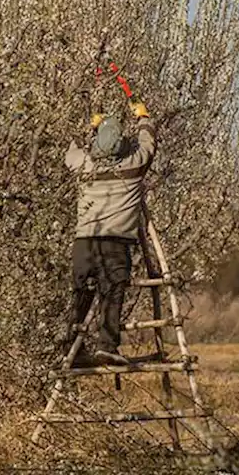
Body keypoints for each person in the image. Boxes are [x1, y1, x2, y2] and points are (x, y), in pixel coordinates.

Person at [63, 100, 156, 367]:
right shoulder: (133, 165)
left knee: (81, 294)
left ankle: (72, 348)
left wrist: (91, 127)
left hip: (84, 243)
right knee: (112, 292)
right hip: (115, 243)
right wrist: (142, 116)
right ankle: (107, 346)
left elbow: (71, 149)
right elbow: (148, 143)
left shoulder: (83, 165)